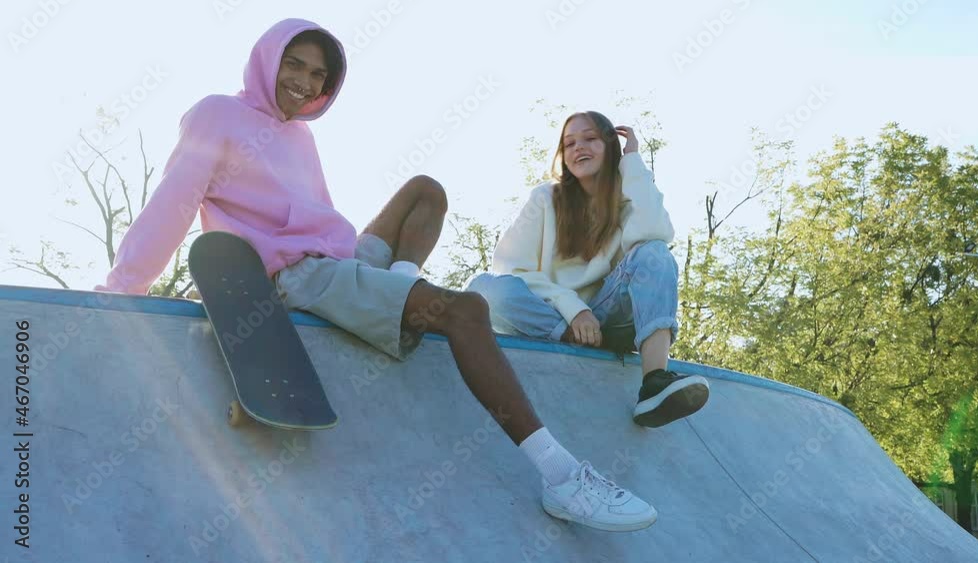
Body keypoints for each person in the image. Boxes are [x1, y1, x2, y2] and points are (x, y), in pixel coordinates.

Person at [94, 19, 657, 532]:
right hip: (301, 274)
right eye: (294, 65)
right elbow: (174, 200)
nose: (304, 82)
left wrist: (392, 277)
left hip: (337, 259)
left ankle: (399, 294)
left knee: (425, 190)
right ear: (268, 60)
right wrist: (124, 289)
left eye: (317, 75)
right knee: (467, 311)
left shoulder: (300, 137)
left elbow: (316, 215)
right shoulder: (217, 114)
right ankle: (561, 476)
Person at [467, 111, 710, 428]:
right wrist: (574, 311)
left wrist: (633, 162)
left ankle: (655, 383)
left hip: (609, 320)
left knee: (655, 254)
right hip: (553, 320)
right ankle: (572, 337)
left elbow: (655, 237)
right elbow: (511, 269)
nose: (579, 148)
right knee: (484, 289)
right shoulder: (545, 198)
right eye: (569, 144)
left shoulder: (629, 199)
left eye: (591, 139)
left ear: (611, 146)